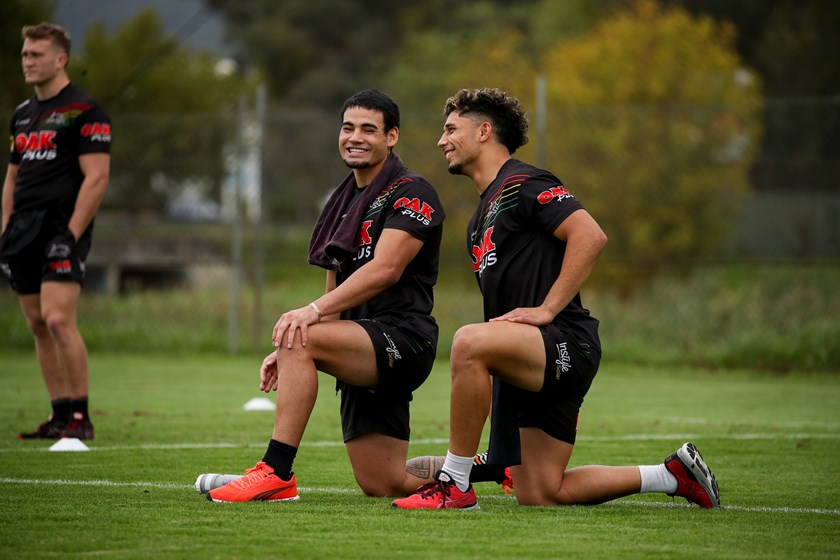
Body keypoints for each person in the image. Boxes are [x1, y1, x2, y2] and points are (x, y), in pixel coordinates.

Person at [392, 88, 719, 510]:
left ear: (484, 131)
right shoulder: (479, 218)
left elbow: (590, 236)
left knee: (468, 341)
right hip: (527, 359)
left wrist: (547, 309)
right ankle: (672, 476)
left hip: (565, 341)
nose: (442, 140)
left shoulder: (524, 183)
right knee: (541, 492)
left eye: (451, 129)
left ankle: (455, 484)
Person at [207, 89, 446, 502]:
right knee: (382, 482)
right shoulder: (341, 201)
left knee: (299, 335)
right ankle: (486, 466)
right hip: (359, 344)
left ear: (391, 136)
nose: (355, 137)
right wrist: (297, 348)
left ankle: (276, 472)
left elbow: (386, 269)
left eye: (368, 129)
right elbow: (334, 288)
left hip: (405, 339)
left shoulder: (413, 191)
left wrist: (308, 323)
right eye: (348, 127)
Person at [1, 22, 111, 440]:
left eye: (36, 54)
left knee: (58, 319)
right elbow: (12, 178)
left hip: (61, 228)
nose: (27, 61)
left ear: (61, 59)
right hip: (23, 230)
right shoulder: (22, 114)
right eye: (25, 54)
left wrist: (71, 234)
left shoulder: (86, 111)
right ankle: (59, 415)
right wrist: (6, 229)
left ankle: (81, 417)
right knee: (37, 324)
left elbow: (96, 178)